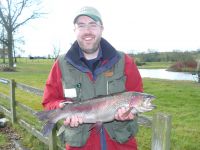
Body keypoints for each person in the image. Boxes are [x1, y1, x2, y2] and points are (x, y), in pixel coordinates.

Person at [42, 6, 143, 150]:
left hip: (120, 145)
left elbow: (136, 95)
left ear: (101, 28)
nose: (87, 31)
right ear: (74, 30)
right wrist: (61, 107)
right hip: (79, 145)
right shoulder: (61, 64)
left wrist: (128, 115)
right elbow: (49, 101)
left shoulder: (124, 61)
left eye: (93, 25)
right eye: (81, 25)